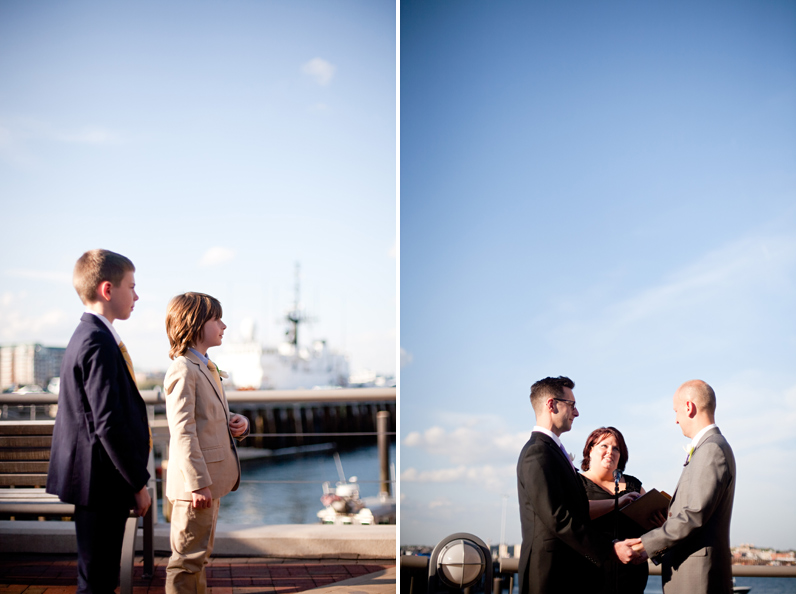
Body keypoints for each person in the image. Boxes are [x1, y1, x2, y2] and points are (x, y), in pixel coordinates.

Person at [46, 249, 152, 594]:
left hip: (98, 480)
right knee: (98, 581)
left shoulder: (90, 335)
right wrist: (137, 483)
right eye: (131, 287)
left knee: (98, 577)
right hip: (101, 483)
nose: (136, 296)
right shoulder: (97, 341)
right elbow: (108, 421)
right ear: (108, 290)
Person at [516, 376, 639, 594]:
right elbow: (558, 518)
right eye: (572, 405)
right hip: (549, 574)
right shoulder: (537, 452)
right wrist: (609, 549)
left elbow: (578, 509)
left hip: (568, 572)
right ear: (552, 405)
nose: (577, 412)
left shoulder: (552, 451)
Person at [163, 292, 250, 594]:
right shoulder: (183, 369)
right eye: (217, 319)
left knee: (199, 557)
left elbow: (206, 419)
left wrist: (238, 423)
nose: (224, 325)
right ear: (197, 324)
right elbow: (182, 431)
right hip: (195, 487)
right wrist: (198, 483)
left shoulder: (205, 365)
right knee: (186, 560)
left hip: (207, 484)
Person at [624, 380, 736, 593]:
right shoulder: (711, 447)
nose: (676, 420)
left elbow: (693, 515)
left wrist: (644, 545)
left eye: (676, 411)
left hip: (697, 578)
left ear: (689, 407)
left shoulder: (711, 449)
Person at [580, 426, 664, 594]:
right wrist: (616, 503)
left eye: (616, 448)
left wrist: (659, 530)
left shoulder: (634, 485)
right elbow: (572, 515)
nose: (610, 451)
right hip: (590, 576)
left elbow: (652, 531)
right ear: (590, 450)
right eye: (604, 445)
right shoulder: (576, 483)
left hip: (631, 579)